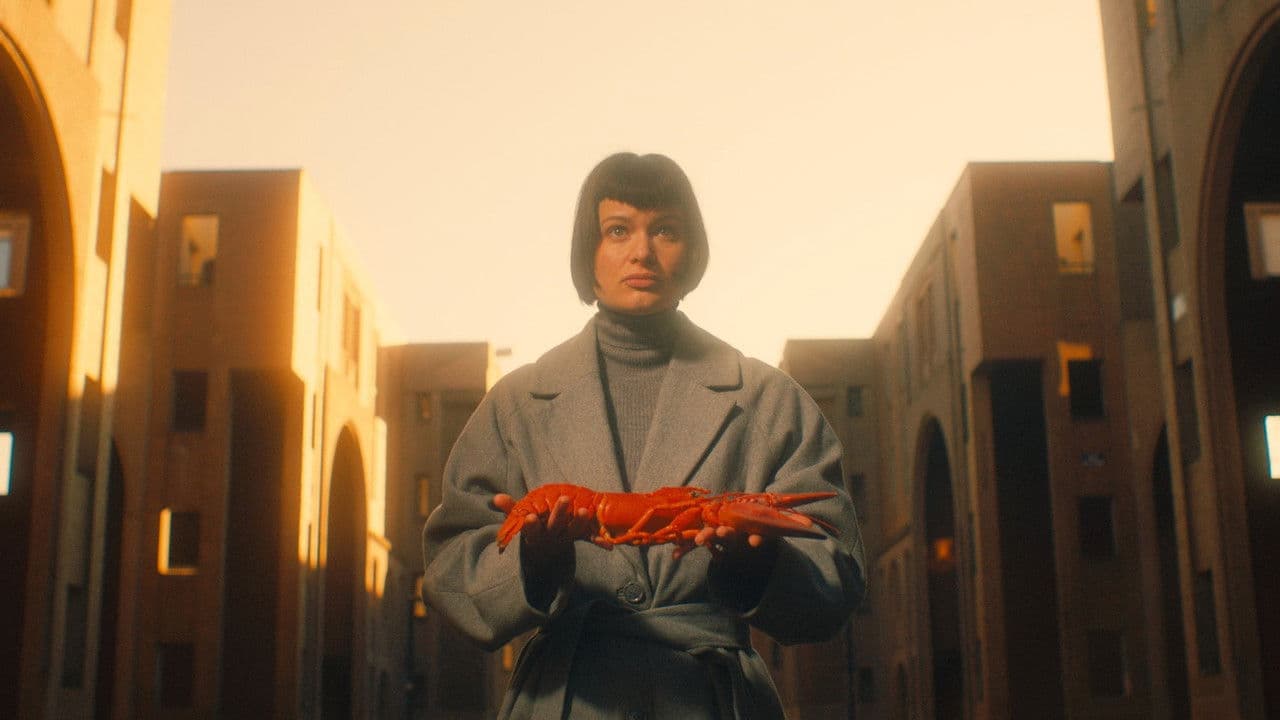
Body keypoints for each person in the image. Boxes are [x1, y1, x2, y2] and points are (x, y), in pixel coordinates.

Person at [422, 152, 866, 719]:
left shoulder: (770, 400)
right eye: (617, 230)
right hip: (565, 698)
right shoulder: (515, 404)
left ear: (692, 250)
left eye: (665, 230)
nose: (642, 252)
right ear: (588, 250)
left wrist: (755, 565)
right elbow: (449, 569)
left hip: (712, 697)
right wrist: (534, 561)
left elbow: (836, 574)